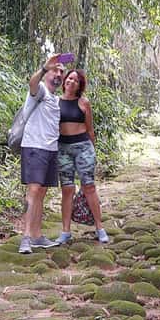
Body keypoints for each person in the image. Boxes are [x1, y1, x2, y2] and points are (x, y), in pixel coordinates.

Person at [55, 68, 109, 244]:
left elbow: (90, 129)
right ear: (64, 81)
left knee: (89, 186)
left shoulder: (84, 102)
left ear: (80, 86)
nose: (72, 82)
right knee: (67, 189)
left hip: (83, 148)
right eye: (69, 78)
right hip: (63, 148)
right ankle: (65, 232)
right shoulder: (55, 102)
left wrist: (93, 150)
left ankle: (100, 228)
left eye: (76, 81)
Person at [19, 54, 66, 254]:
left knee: (42, 192)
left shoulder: (55, 99)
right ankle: (26, 237)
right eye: (55, 70)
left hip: (50, 149)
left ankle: (37, 236)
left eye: (61, 72)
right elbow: (32, 82)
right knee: (34, 191)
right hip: (34, 147)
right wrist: (45, 68)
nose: (58, 74)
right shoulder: (40, 91)